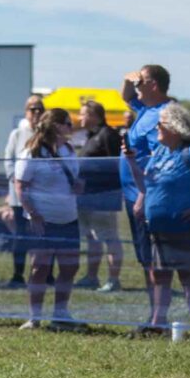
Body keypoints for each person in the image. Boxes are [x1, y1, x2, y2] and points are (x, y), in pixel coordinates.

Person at [126, 103, 190, 338]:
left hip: (185, 227)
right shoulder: (160, 152)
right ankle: (157, 324)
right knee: (159, 275)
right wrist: (132, 163)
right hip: (159, 227)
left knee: (187, 275)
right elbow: (145, 183)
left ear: (172, 127)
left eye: (160, 124)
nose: (156, 128)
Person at [15, 108, 83, 330]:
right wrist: (33, 213)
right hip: (42, 220)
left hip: (68, 218)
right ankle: (34, 317)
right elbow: (20, 185)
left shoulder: (69, 150)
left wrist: (78, 186)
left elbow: (75, 178)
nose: (71, 128)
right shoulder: (32, 153)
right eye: (67, 123)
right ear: (56, 126)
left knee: (69, 267)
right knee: (39, 268)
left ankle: (60, 314)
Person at [120, 65, 172, 331]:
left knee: (155, 261)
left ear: (154, 85)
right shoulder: (144, 109)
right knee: (145, 259)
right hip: (133, 194)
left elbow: (159, 158)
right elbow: (124, 96)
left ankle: (158, 321)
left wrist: (143, 193)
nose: (137, 85)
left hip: (147, 196)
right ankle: (153, 316)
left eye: (142, 81)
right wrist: (130, 79)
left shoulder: (163, 113)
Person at [73, 100, 124, 293]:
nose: (80, 118)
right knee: (91, 238)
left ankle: (113, 280)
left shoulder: (108, 135)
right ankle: (91, 277)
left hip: (104, 197)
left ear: (94, 116)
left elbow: (117, 165)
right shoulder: (91, 136)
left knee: (109, 238)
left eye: (83, 114)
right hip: (86, 197)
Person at [2, 95, 45, 287]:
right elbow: (8, 160)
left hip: (42, 196)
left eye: (39, 109)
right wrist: (17, 181)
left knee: (43, 236)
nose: (36, 113)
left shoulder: (46, 133)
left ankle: (45, 274)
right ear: (26, 111)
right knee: (20, 236)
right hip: (19, 197)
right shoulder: (17, 134)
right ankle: (17, 274)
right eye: (32, 109)